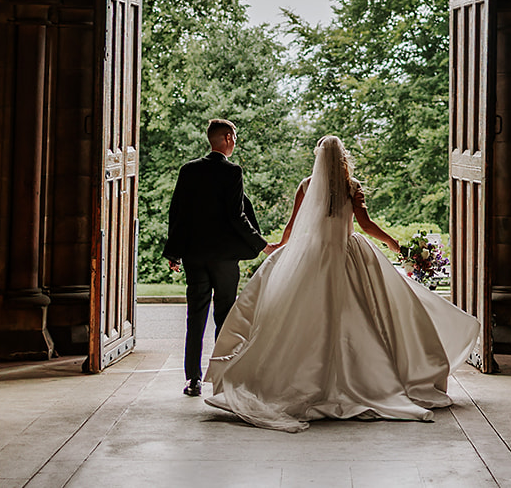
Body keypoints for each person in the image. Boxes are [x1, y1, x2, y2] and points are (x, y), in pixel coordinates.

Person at [203, 135, 480, 432]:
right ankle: (371, 378)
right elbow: (365, 225)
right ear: (342, 157)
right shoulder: (352, 186)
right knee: (373, 312)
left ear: (319, 157)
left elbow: (294, 224)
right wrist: (393, 243)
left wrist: (280, 245)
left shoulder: (308, 185)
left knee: (300, 318)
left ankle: (301, 380)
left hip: (314, 255)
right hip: (348, 254)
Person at [163, 118, 269, 397]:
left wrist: (174, 252)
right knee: (225, 316)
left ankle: (194, 380)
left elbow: (178, 214)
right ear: (225, 138)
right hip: (224, 258)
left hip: (195, 256)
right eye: (234, 136)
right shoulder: (232, 172)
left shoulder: (188, 171)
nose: (235, 142)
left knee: (195, 317)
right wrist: (261, 245)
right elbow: (237, 216)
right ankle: (224, 376)